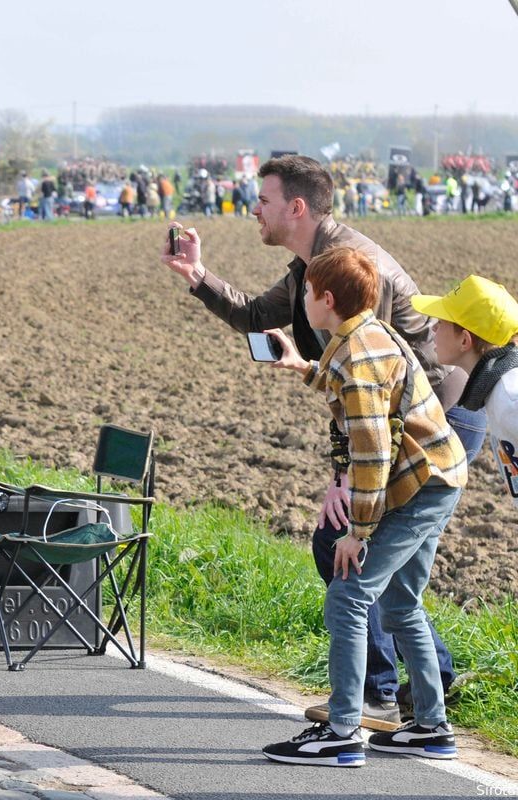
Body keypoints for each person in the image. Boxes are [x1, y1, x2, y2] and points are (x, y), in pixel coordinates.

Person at [160, 154, 485, 730]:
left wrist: (346, 487)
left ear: (297, 207)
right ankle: (425, 687)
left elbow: (372, 390)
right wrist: (197, 276)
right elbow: (260, 315)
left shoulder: (357, 270)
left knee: (349, 551)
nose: (253, 209)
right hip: (394, 426)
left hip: (435, 426)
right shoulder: (312, 266)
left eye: (262, 200)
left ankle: (379, 696)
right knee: (382, 573)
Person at [261, 246, 466, 767]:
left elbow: (372, 454)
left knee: (348, 598)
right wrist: (300, 366)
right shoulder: (363, 335)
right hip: (438, 476)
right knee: (400, 604)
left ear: (325, 300)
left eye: (306, 292)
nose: (302, 299)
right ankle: (431, 727)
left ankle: (343, 731)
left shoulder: (358, 356)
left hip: (419, 484)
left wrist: (357, 532)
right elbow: (350, 391)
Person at [413, 275, 518, 512]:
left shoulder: (510, 400)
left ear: (465, 340)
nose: (434, 328)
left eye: (442, 322)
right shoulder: (498, 393)